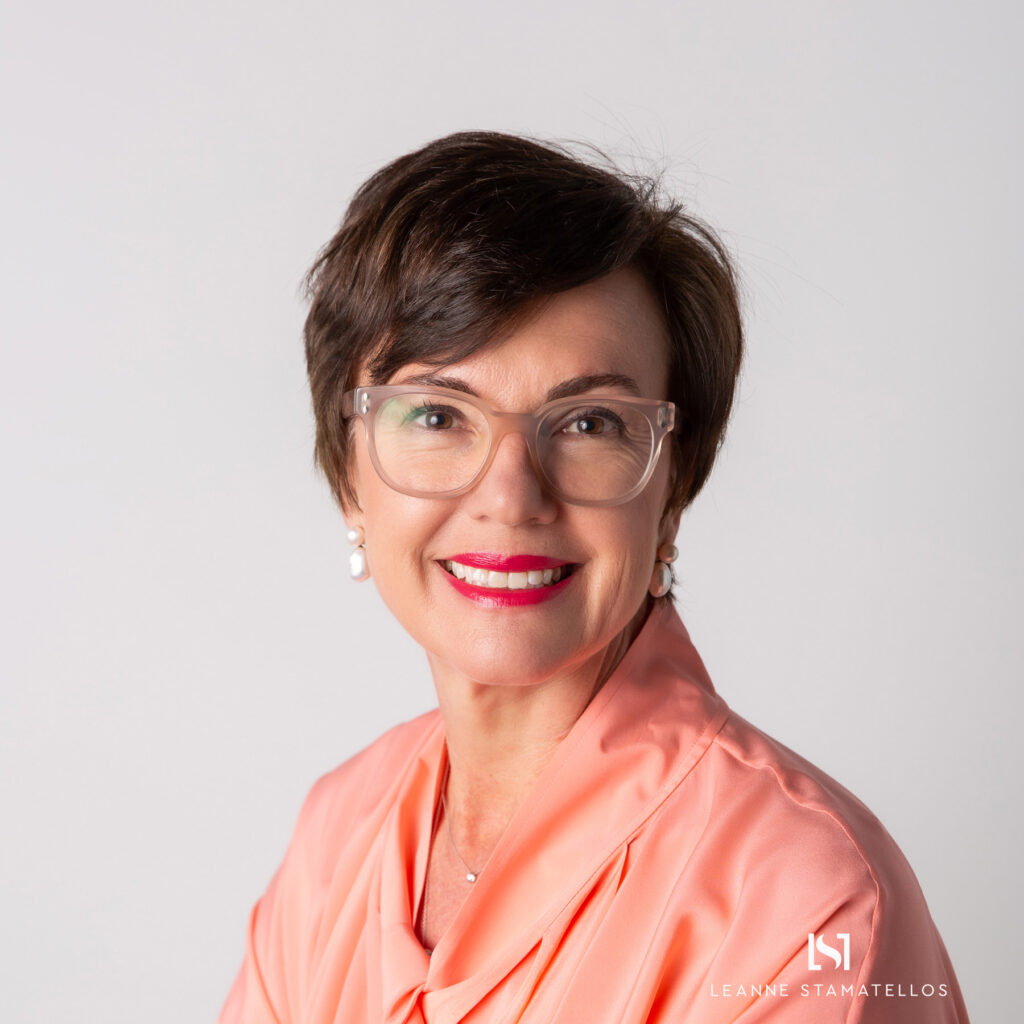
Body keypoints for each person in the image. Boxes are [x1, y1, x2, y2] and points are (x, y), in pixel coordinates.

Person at [219, 131, 969, 1023]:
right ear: (349, 478)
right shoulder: (341, 828)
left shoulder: (804, 903)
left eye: (588, 424)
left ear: (674, 485)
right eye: (435, 414)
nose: (509, 495)